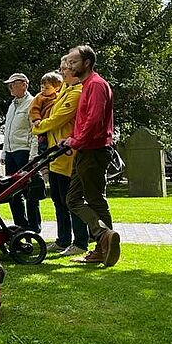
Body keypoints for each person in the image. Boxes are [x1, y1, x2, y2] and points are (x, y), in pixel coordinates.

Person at [62, 45, 120, 266]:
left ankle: (102, 243)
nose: (69, 66)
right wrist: (70, 138)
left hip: (94, 150)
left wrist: (76, 140)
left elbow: (94, 120)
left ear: (87, 63)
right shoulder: (86, 85)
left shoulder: (96, 85)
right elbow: (84, 120)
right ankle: (104, 236)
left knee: (94, 199)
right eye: (68, 62)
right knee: (73, 199)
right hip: (84, 149)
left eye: (74, 62)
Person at [33, 60, 88, 257]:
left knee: (71, 201)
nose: (62, 72)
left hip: (68, 156)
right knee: (58, 200)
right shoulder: (65, 89)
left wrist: (37, 127)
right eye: (62, 68)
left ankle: (80, 241)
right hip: (55, 154)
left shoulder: (76, 93)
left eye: (65, 69)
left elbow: (59, 119)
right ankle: (63, 239)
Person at [1, 73, 41, 233]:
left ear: (24, 84)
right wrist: (4, 153)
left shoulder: (32, 103)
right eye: (9, 84)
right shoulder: (12, 105)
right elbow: (7, 131)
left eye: (13, 84)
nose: (10, 87)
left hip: (24, 152)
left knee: (29, 191)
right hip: (11, 152)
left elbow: (35, 132)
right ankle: (20, 225)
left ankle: (34, 227)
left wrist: (33, 154)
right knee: (12, 192)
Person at [30, 72, 63, 155]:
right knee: (43, 143)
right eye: (42, 87)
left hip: (52, 124)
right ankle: (42, 156)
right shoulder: (39, 97)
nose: (43, 90)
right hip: (43, 123)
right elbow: (34, 109)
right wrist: (36, 119)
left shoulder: (59, 96)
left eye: (47, 88)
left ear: (56, 88)